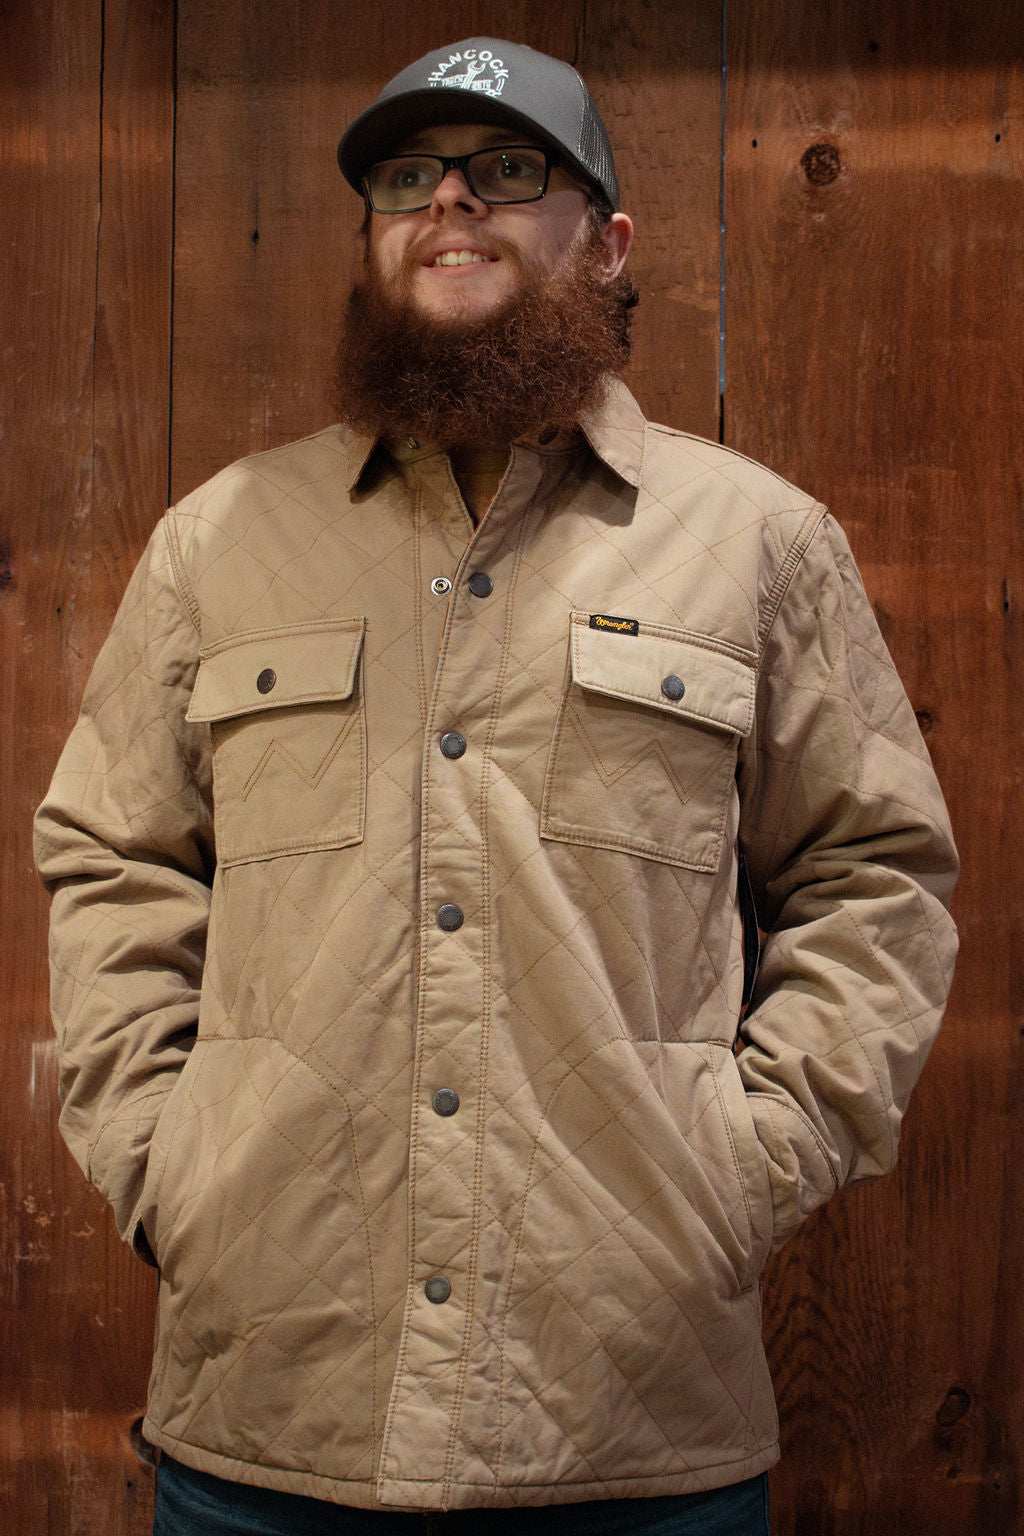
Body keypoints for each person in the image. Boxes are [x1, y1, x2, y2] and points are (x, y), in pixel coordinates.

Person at [35, 36, 958, 1536]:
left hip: (631, 1418)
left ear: (608, 239)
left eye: (507, 169)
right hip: (273, 1408)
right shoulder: (219, 544)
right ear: (372, 236)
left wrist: (753, 1168)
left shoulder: (758, 545)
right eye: (407, 177)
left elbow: (875, 876)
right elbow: (112, 860)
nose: (450, 202)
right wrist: (168, 1164)